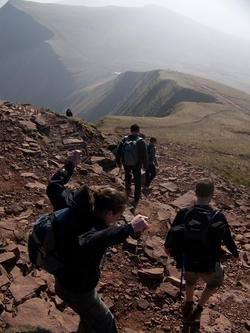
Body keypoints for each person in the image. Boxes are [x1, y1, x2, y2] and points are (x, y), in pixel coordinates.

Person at [46, 150, 149, 333]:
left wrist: (69, 165)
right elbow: (87, 242)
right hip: (76, 289)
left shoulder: (74, 206)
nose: (117, 222)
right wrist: (128, 228)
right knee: (106, 325)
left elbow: (53, 187)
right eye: (117, 217)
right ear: (108, 213)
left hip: (65, 277)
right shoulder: (91, 228)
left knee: (89, 320)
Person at [164, 178, 239, 322]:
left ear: (195, 192)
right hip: (209, 263)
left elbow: (172, 232)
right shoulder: (218, 216)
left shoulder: (184, 212)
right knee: (214, 282)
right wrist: (235, 254)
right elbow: (228, 239)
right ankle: (199, 307)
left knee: (190, 281)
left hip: (188, 260)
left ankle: (188, 302)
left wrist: (167, 246)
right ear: (212, 194)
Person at [116, 124, 148, 205]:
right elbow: (145, 155)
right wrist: (145, 165)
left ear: (130, 131)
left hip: (126, 163)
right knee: (137, 180)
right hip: (137, 164)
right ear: (139, 131)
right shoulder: (141, 141)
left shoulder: (124, 139)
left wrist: (118, 162)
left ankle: (128, 188)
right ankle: (136, 198)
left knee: (127, 174)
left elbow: (118, 151)